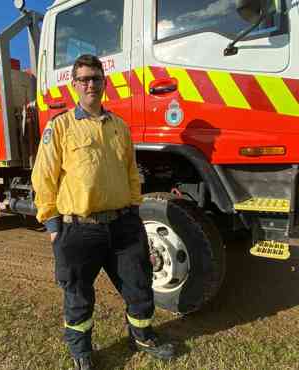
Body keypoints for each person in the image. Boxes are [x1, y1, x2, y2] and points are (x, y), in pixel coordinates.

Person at [31, 54, 176, 370]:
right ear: (74, 85)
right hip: (79, 228)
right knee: (78, 295)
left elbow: (131, 173)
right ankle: (81, 351)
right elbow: (43, 177)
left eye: (95, 78)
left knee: (138, 285)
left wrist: (135, 211)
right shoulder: (60, 127)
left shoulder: (120, 127)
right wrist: (53, 224)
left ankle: (142, 336)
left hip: (123, 224)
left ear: (104, 82)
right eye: (83, 79)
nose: (90, 84)